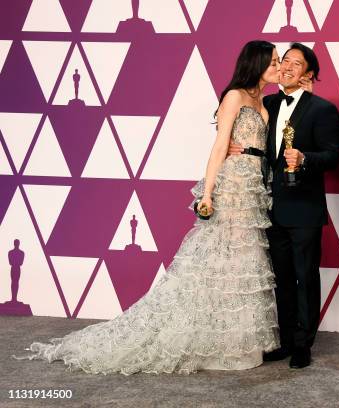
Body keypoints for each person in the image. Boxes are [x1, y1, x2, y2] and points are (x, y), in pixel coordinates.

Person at [17, 40, 282, 374]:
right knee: (221, 261)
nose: (278, 66)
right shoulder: (234, 96)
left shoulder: (264, 101)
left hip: (253, 188)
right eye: (273, 61)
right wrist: (208, 193)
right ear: (256, 63)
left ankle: (235, 345)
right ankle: (216, 345)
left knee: (241, 265)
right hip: (231, 186)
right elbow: (218, 146)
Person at [229, 42, 339, 369]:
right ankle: (287, 340)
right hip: (269, 207)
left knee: (305, 276)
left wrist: (306, 159)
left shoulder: (322, 110)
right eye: (284, 61)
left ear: (309, 74)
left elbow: (333, 156)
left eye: (296, 63)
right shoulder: (268, 103)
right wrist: (239, 149)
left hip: (304, 207)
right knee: (281, 276)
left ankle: (304, 343)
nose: (287, 67)